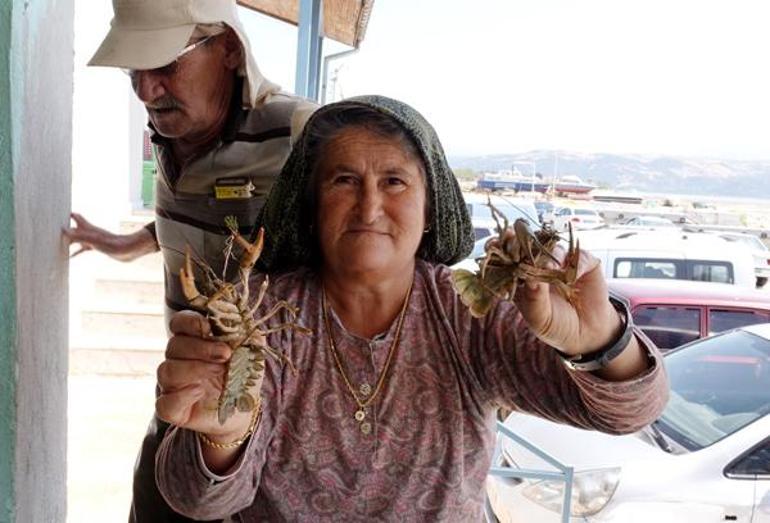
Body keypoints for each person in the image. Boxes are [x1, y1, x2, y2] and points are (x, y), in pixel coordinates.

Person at [152, 96, 668, 521]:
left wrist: (600, 341)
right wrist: (224, 433)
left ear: (430, 208)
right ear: (309, 207)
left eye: (394, 181)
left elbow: (629, 412)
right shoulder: (261, 315)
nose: (370, 207)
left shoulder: (470, 311)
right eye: (343, 180)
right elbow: (197, 497)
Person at [63, 1, 316, 521]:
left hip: (277, 424)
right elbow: (197, 216)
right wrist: (124, 243)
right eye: (135, 69)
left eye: (165, 64)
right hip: (184, 404)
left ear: (228, 48)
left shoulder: (302, 135)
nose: (145, 90)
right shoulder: (172, 133)